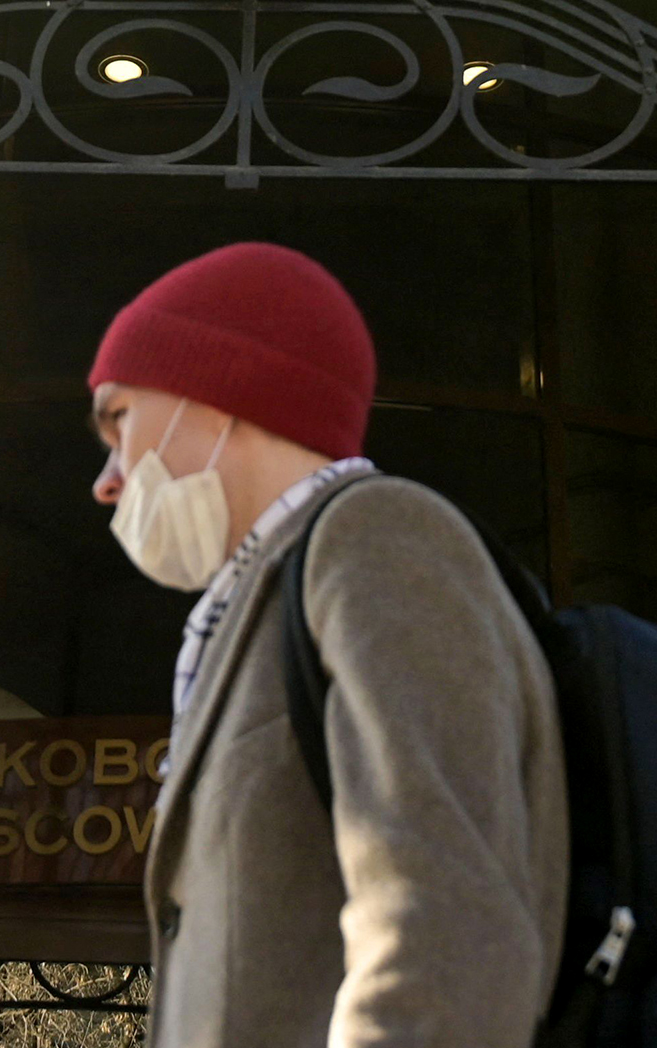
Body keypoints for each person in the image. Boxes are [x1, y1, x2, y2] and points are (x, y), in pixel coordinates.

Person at [87, 241, 569, 1047]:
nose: (106, 479)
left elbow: (444, 937)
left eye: (120, 419)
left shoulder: (376, 536)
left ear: (215, 392)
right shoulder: (260, 608)